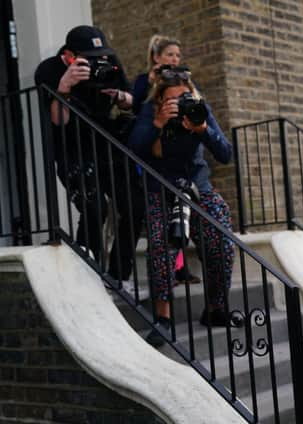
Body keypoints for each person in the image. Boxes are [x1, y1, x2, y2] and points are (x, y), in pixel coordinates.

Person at [129, 66, 239, 347]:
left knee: (222, 243)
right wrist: (157, 123)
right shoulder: (149, 112)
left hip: (198, 188)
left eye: (185, 97)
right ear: (160, 99)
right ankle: (163, 318)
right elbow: (133, 149)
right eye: (173, 99)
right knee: (160, 248)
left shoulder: (200, 110)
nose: (180, 104)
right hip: (161, 190)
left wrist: (202, 129)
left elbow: (225, 153)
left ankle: (215, 310)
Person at [35, 25, 147, 298]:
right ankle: (87, 273)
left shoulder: (108, 63)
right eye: (88, 57)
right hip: (72, 148)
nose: (97, 61)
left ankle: (117, 276)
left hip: (106, 144)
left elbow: (131, 102)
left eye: (101, 54)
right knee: (94, 207)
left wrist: (121, 97)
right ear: (69, 56)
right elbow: (58, 121)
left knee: (134, 204)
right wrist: (64, 86)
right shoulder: (49, 70)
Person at [130, 34, 199, 286]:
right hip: (151, 151)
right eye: (170, 54)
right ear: (157, 57)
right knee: (159, 214)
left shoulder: (181, 81)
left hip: (176, 152)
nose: (174, 59)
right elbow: (135, 106)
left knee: (179, 213)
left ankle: (179, 268)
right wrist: (150, 81)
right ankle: (164, 274)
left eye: (178, 56)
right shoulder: (144, 80)